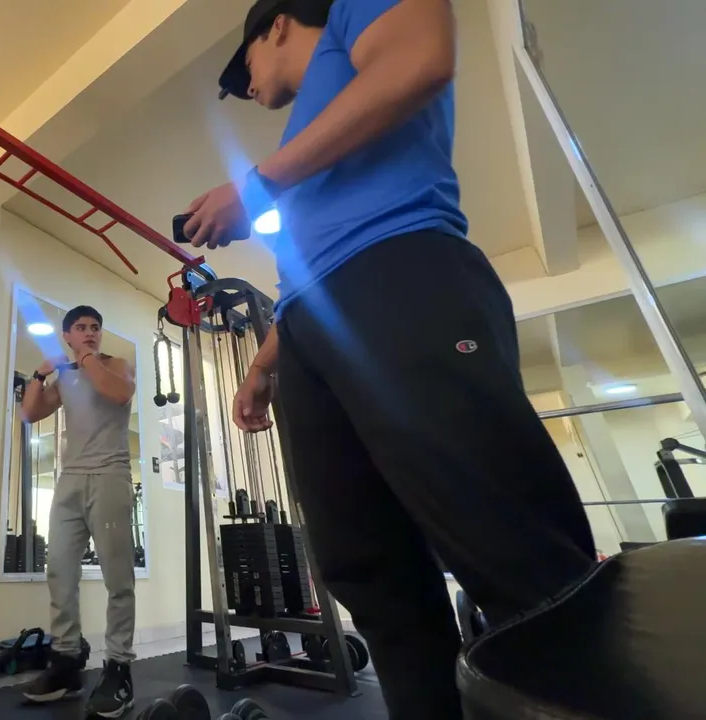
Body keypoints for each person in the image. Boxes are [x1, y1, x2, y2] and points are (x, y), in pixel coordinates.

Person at [182, 0, 598, 717]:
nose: (246, 86)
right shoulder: (309, 130)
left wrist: (255, 185)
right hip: (312, 325)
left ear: (275, 24)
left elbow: (419, 60)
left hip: (400, 271)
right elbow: (312, 271)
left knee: (505, 537)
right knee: (368, 570)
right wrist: (265, 364)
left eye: (244, 65)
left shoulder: (352, 14)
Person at [20, 305, 137, 719]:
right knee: (60, 571)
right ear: (67, 335)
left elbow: (119, 393)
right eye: (81, 328)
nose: (90, 333)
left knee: (118, 578)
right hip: (70, 480)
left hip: (109, 476)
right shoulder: (66, 378)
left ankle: (119, 667)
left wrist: (85, 359)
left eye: (95, 328)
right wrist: (40, 375)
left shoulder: (115, 365)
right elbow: (30, 413)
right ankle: (67, 661)